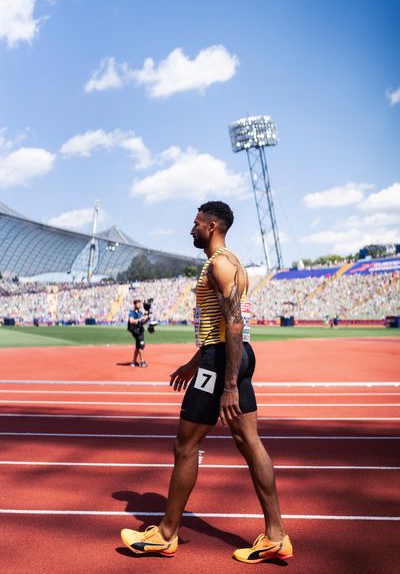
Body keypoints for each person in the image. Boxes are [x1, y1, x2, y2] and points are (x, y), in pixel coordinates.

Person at [121, 201, 292, 563]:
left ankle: (166, 535)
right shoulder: (229, 263)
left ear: (212, 226)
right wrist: (193, 362)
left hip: (222, 362)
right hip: (228, 357)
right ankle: (276, 535)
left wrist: (227, 383)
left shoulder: (221, 264)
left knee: (186, 446)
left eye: (196, 223)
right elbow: (221, 327)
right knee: (249, 441)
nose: (191, 229)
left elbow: (233, 325)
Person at [128, 299, 149, 368]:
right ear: (135, 304)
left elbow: (144, 321)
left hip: (140, 330)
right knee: (141, 345)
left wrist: (147, 312)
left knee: (138, 346)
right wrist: (139, 319)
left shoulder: (140, 313)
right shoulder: (132, 312)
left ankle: (134, 362)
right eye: (138, 303)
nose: (140, 305)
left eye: (140, 303)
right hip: (136, 331)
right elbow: (131, 321)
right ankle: (142, 362)